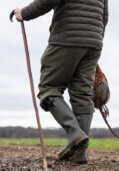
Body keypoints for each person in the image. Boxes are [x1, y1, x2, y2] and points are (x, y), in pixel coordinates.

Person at [14, 0, 109, 164]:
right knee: (82, 94)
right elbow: (104, 15)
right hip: (94, 41)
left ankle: (75, 133)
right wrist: (91, 39)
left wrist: (24, 13)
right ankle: (78, 154)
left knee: (48, 87)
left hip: (68, 36)